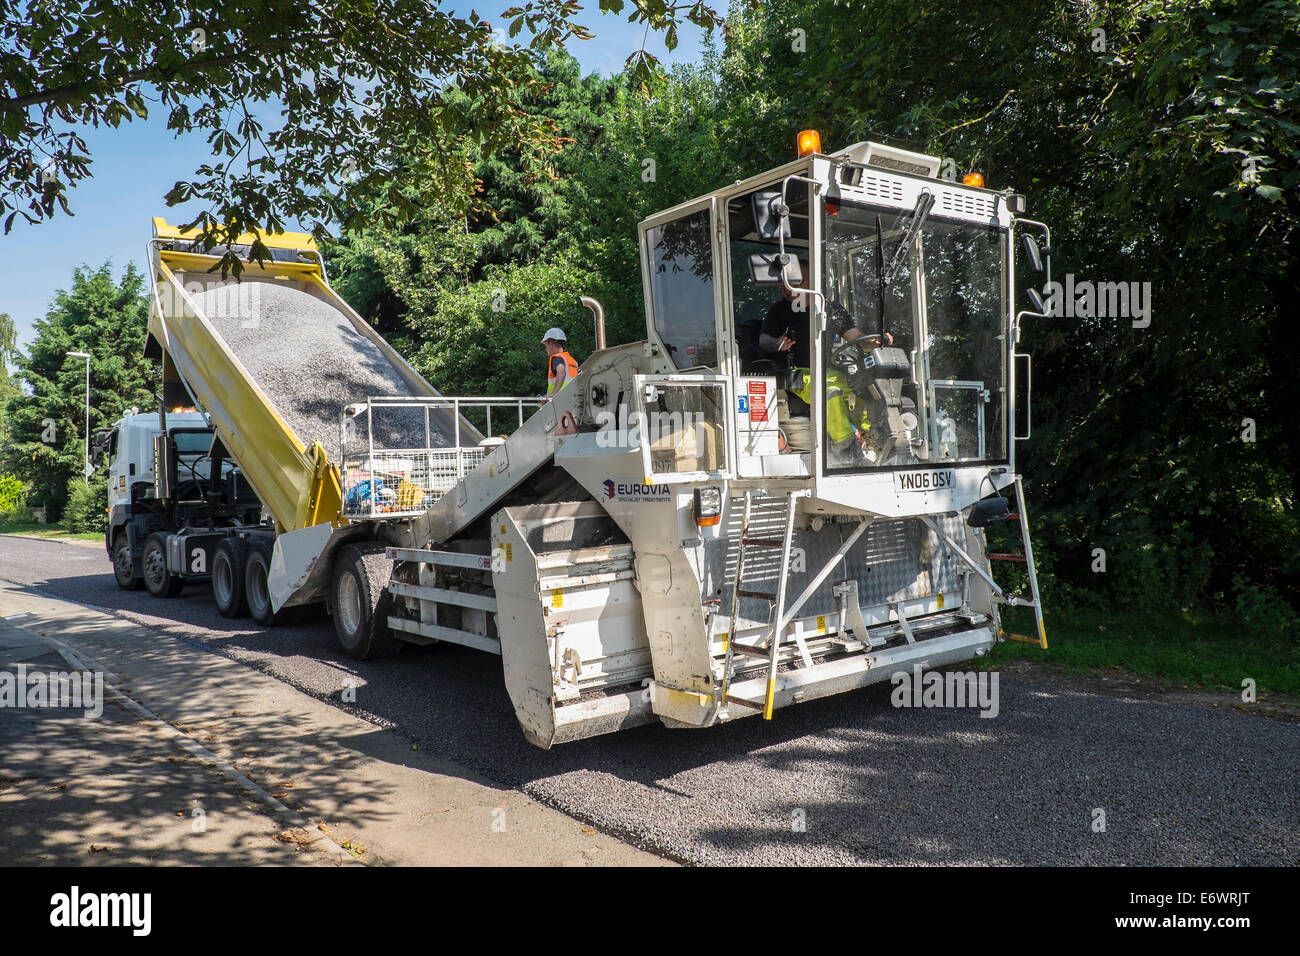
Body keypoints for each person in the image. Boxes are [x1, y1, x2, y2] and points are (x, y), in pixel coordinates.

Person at [759, 280, 893, 464]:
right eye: (782, 283)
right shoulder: (779, 310)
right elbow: (764, 340)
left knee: (864, 393)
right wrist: (777, 344)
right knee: (830, 395)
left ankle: (879, 442)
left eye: (792, 281)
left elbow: (855, 337)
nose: (784, 286)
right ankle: (849, 453)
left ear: (808, 281)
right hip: (798, 375)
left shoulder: (831, 308)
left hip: (831, 373)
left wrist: (872, 342)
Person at [541, 328, 579, 399]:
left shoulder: (556, 358)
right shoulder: (571, 360)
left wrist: (554, 393)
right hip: (574, 398)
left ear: (550, 344)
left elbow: (561, 372)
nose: (546, 349)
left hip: (560, 400)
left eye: (546, 346)